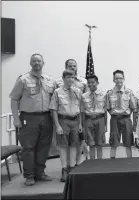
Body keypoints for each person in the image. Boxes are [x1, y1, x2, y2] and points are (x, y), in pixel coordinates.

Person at [9, 53, 55, 186]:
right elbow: (14, 99)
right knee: (28, 148)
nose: (36, 63)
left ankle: (40, 172)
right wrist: (16, 119)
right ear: (30, 63)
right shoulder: (23, 80)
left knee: (44, 147)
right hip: (28, 118)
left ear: (43, 63)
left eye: (39, 61)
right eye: (34, 61)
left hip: (46, 117)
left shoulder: (50, 80)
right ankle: (29, 175)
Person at [50, 69, 83, 182]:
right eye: (68, 77)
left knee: (74, 144)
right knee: (63, 146)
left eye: (72, 77)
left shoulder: (78, 91)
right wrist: (57, 125)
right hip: (63, 120)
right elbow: (54, 109)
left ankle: (73, 167)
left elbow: (81, 109)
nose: (70, 80)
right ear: (63, 78)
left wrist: (80, 124)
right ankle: (64, 169)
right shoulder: (57, 92)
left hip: (75, 121)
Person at [55, 59, 88, 166]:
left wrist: (81, 121)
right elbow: (55, 103)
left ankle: (76, 164)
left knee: (77, 143)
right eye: (70, 66)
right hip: (64, 116)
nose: (72, 67)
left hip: (77, 117)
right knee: (64, 144)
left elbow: (85, 100)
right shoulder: (58, 83)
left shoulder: (83, 82)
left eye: (74, 66)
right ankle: (66, 166)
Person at [107, 70, 136, 158]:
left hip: (126, 118)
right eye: (116, 78)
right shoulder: (109, 93)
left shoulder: (129, 92)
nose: (118, 80)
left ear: (123, 79)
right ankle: (112, 161)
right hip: (114, 119)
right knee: (114, 142)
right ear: (113, 80)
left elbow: (133, 107)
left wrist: (126, 114)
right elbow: (108, 108)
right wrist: (115, 114)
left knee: (128, 142)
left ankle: (129, 161)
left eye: (120, 78)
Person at [80, 75, 107, 160]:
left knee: (99, 143)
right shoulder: (84, 96)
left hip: (100, 119)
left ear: (97, 83)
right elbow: (82, 112)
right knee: (91, 143)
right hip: (89, 120)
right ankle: (92, 163)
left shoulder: (103, 94)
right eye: (89, 82)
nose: (91, 84)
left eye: (93, 82)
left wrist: (105, 125)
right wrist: (82, 125)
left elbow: (105, 111)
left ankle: (99, 162)